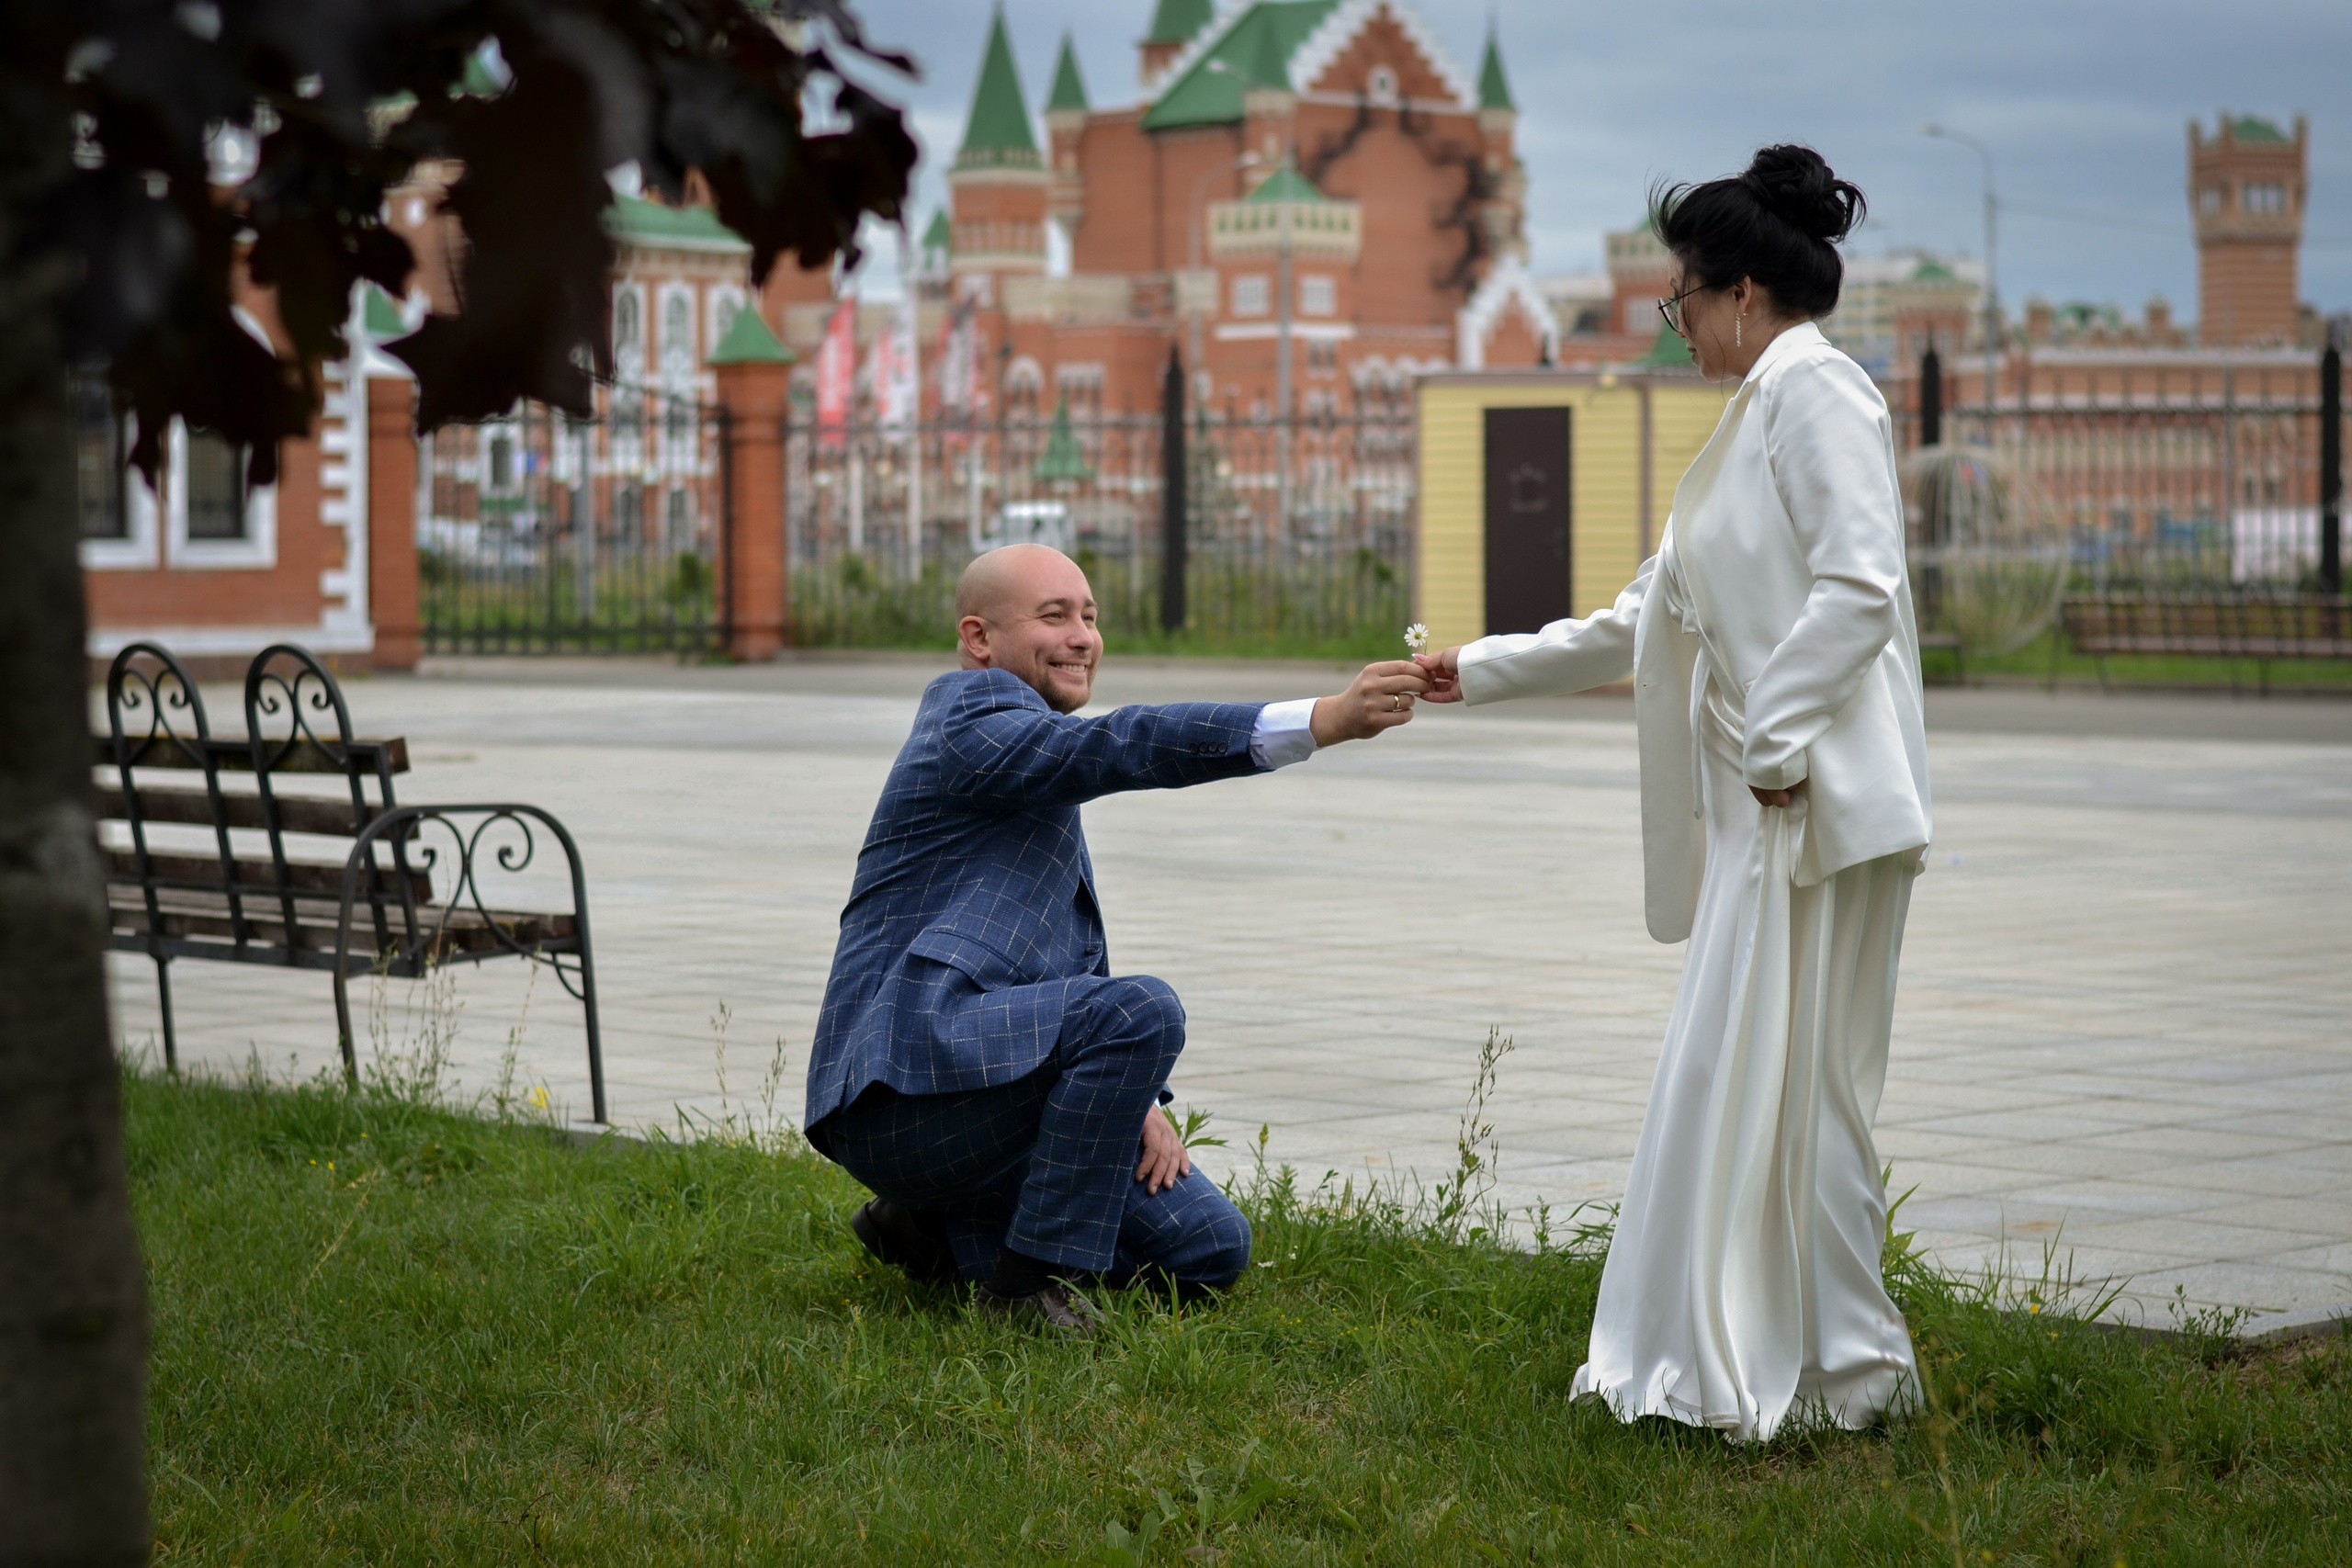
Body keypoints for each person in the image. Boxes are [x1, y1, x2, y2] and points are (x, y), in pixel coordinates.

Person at [1416, 145, 1932, 1440]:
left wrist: (1773, 743)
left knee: (1802, 1092)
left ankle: (1843, 1365)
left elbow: (1860, 588)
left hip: (1807, 810)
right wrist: (1464, 671)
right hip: (1770, 816)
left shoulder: (1820, 397)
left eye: (1682, 300)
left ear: (1744, 292)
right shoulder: (1756, 415)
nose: (1677, 323)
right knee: (1739, 1083)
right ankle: (1773, 1349)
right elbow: (1641, 622)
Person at [805, 543, 1431, 1335]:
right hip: (903, 1091)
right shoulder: (970, 722)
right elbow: (1122, 743)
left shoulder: (1026, 753)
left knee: (1210, 1248)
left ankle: (932, 1229)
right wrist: (1321, 721)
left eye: (1091, 616)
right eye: (1054, 615)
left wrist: (1127, 1096)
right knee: (1143, 1009)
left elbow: (1069, 960)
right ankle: (1026, 1288)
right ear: (978, 639)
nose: (1082, 636)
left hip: (988, 1079)